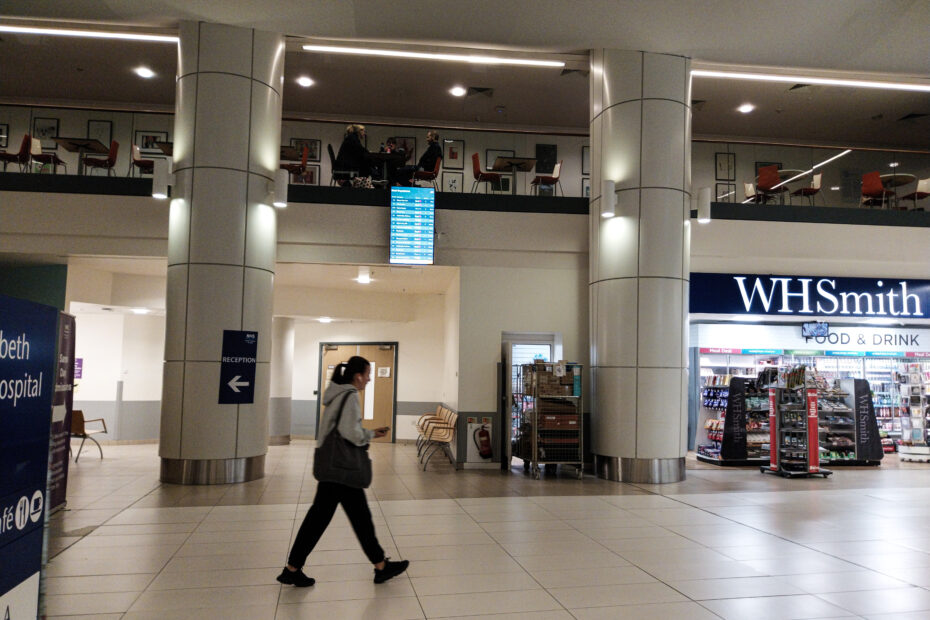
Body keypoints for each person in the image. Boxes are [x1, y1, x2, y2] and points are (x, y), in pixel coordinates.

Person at [277, 356, 409, 587]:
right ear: (358, 376)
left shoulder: (335, 393)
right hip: (342, 468)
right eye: (367, 374)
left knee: (327, 518)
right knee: (354, 518)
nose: (369, 379)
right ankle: (380, 566)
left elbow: (341, 428)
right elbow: (350, 432)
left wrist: (367, 431)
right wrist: (369, 435)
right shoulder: (349, 395)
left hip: (332, 466)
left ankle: (293, 568)